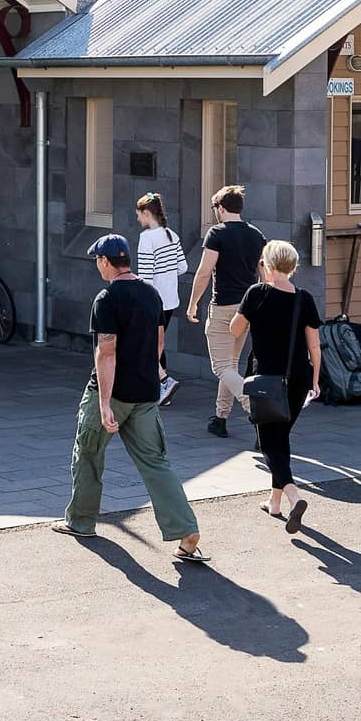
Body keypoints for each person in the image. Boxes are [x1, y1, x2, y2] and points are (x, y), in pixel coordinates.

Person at [52, 234, 207, 563]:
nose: (97, 265)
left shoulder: (107, 298)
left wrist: (105, 403)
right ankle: (186, 530)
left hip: (112, 393)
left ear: (106, 262)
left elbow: (106, 353)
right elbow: (159, 344)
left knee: (88, 455)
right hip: (146, 393)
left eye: (97, 259)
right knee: (155, 463)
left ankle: (80, 521)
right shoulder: (151, 295)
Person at [228, 240, 322, 534]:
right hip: (297, 380)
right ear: (292, 267)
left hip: (267, 381)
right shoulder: (303, 299)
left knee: (269, 444)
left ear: (266, 265)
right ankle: (275, 502)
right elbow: (314, 346)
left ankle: (294, 497)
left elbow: (235, 329)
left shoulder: (256, 293)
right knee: (281, 439)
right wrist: (315, 379)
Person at [184, 185, 267, 438]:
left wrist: (192, 303)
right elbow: (263, 274)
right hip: (247, 308)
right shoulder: (256, 234)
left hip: (223, 307)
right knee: (230, 364)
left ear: (221, 208)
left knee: (220, 367)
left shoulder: (217, 233)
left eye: (214, 208)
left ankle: (255, 410)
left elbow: (205, 271)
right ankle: (220, 418)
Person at [133, 192, 187, 405]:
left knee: (149, 344)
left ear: (147, 213)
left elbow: (146, 276)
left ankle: (163, 383)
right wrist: (167, 272)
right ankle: (160, 389)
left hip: (152, 302)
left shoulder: (146, 238)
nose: (138, 219)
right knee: (157, 343)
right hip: (170, 300)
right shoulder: (172, 235)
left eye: (139, 214)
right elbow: (183, 267)